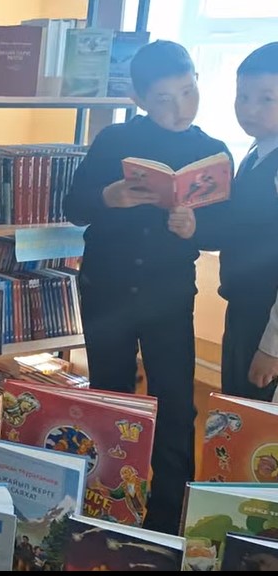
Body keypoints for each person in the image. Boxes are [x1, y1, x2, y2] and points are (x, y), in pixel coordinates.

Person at [63, 40, 232, 535]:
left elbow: (224, 229)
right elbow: (74, 207)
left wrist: (195, 228)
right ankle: (109, 509)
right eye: (163, 98)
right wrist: (107, 196)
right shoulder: (113, 140)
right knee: (110, 397)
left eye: (188, 91)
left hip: (169, 295)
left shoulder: (212, 152)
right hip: (107, 288)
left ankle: (167, 520)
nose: (180, 107)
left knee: (175, 404)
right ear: (138, 99)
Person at [197, 42, 278, 401]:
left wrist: (272, 347)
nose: (249, 109)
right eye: (242, 96)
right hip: (244, 307)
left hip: (267, 319)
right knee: (235, 406)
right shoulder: (255, 152)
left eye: (266, 99)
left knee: (256, 419)